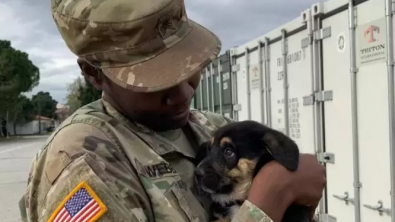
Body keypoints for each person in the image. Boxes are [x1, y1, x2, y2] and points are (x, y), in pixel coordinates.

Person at [18, 0, 326, 221]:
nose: (184, 92)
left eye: (187, 65)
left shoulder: (210, 127)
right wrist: (269, 200)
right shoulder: (85, 160)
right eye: (154, 78)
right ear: (94, 74)